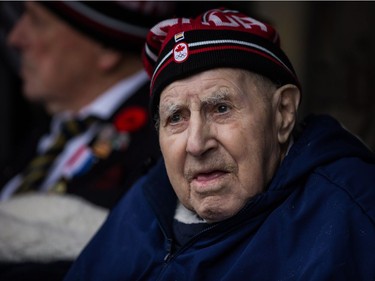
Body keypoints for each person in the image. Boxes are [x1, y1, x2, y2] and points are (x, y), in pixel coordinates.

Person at [64, 7, 375, 281]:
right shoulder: (147, 199)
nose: (197, 144)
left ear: (283, 113)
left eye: (221, 108)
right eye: (176, 118)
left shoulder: (352, 211)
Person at [0, 1, 176, 280]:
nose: (15, 37)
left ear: (106, 48)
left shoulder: (166, 138)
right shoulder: (45, 130)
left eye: (36, 20)